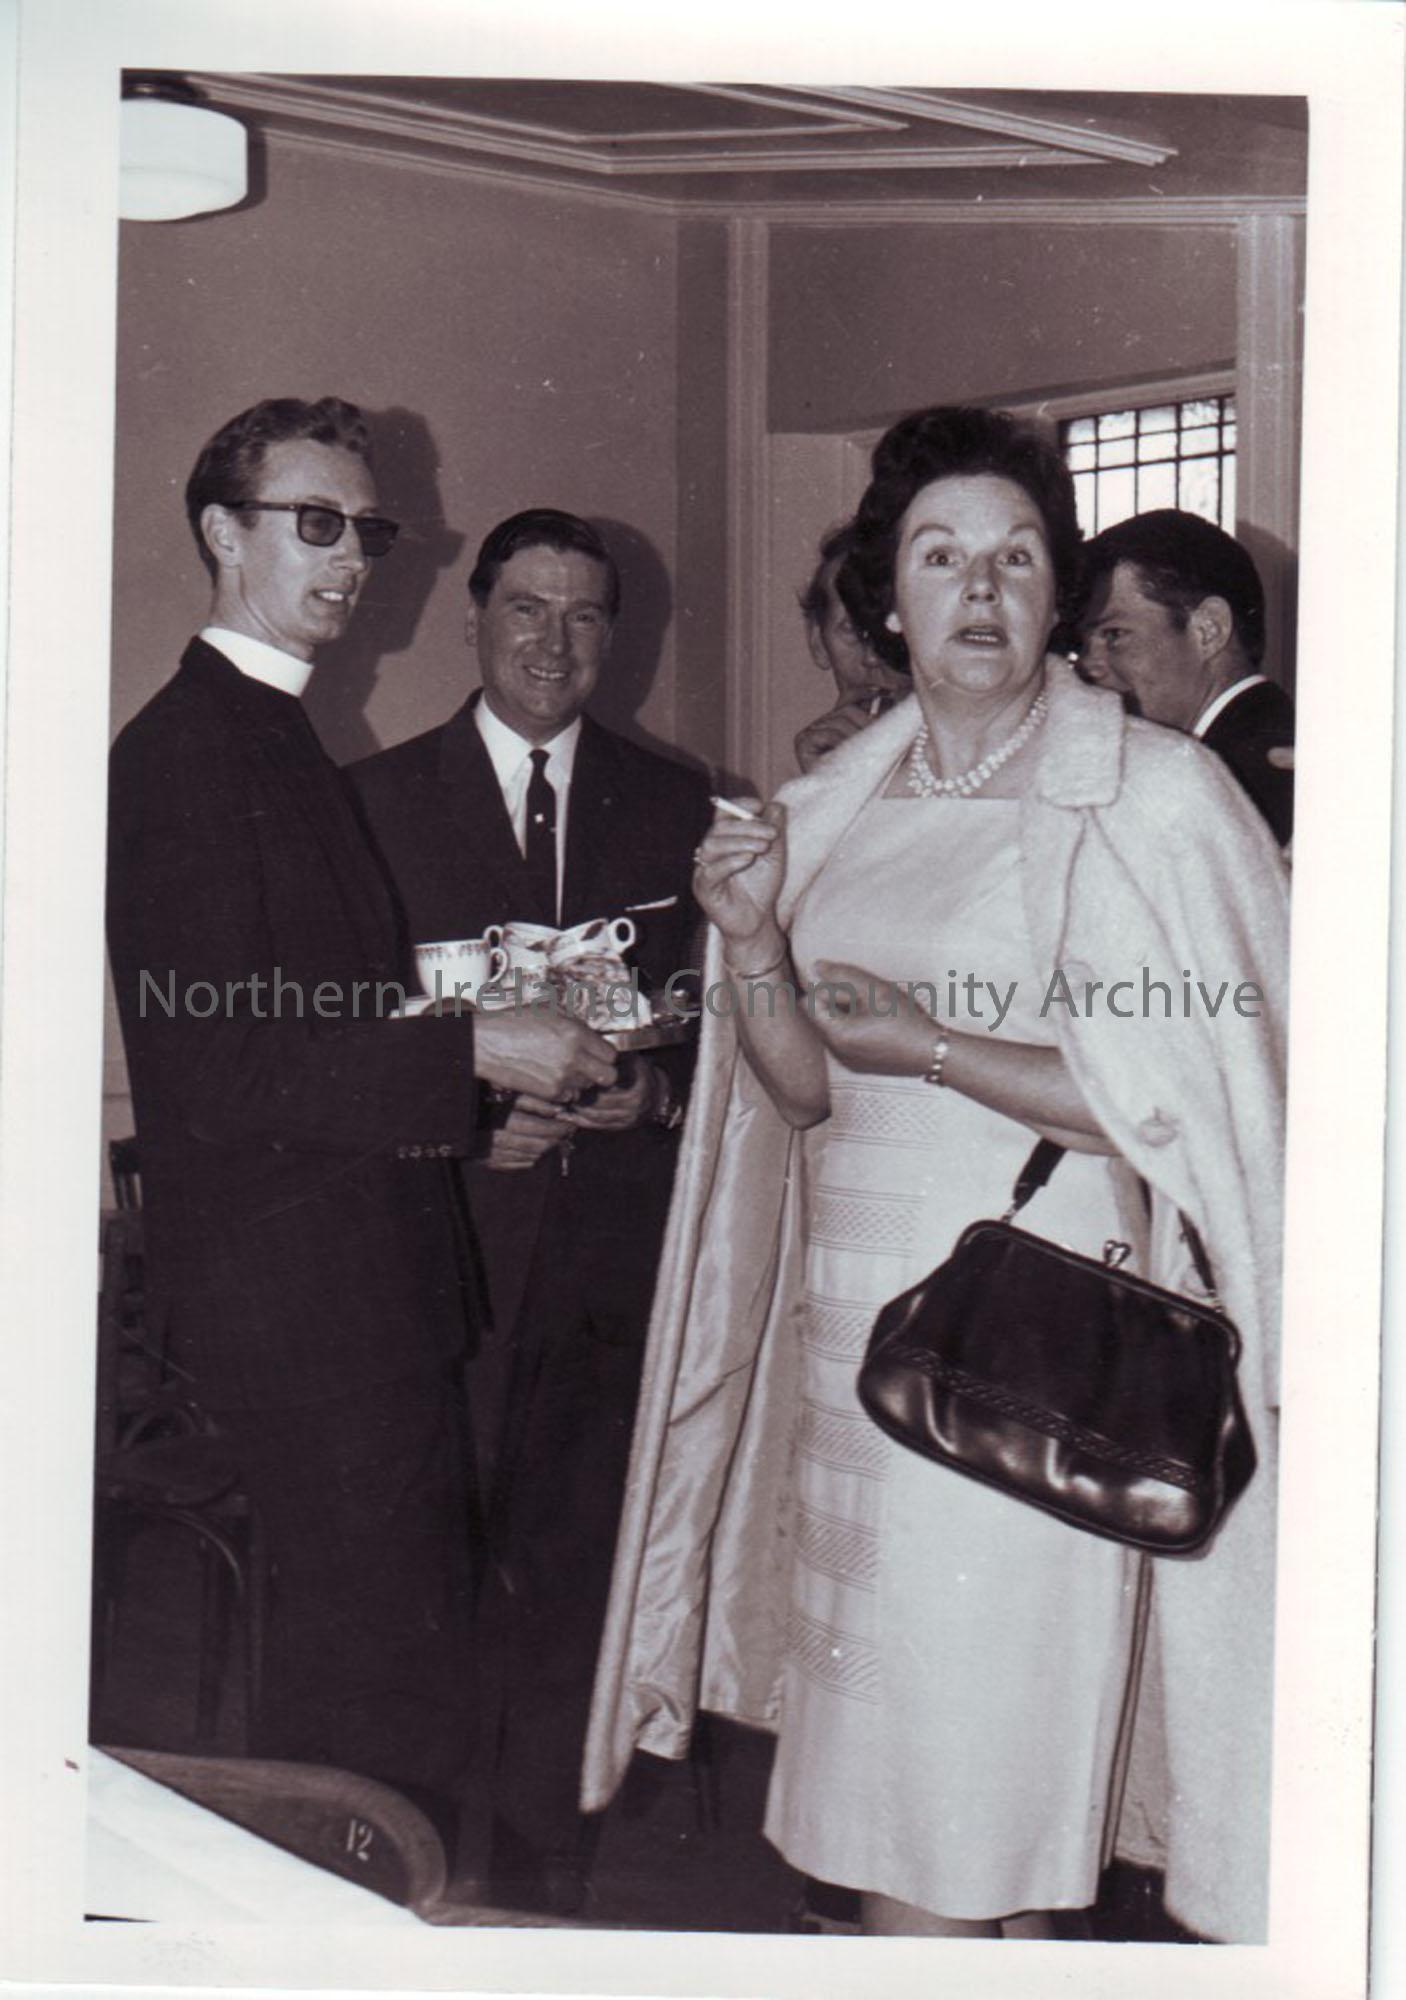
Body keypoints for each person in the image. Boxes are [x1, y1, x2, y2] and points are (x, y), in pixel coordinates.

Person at [583, 407, 1287, 1942]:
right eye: (940, 556)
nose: (980, 588)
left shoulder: (1153, 799)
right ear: (884, 601)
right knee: (949, 1830)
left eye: (1017, 558)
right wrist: (752, 946)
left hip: (1033, 1347)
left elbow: (1197, 1106)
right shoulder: (837, 806)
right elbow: (801, 1093)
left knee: (948, 1822)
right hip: (863, 1358)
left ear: (1056, 597)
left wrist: (936, 1048)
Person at [106, 401, 617, 1853]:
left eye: (366, 532)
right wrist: (476, 1046)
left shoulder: (272, 728)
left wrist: (461, 1096)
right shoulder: (189, 749)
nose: (349, 559)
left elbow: (316, 1017)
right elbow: (222, 1059)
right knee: (365, 1695)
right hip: (303, 1312)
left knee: (387, 1671)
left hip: (357, 1289)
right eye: (314, 524)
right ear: (224, 532)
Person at [348, 508, 711, 1912]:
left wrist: (656, 1098)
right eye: (526, 609)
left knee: (575, 1576)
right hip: (440, 1252)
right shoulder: (374, 804)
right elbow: (340, 1038)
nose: (554, 643)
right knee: (426, 1578)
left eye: (584, 616)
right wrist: (453, 1121)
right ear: (475, 618)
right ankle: (414, 1865)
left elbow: (721, 1029)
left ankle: (542, 1893)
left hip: (612, 1260)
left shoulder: (674, 804)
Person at [1075, 508, 1295, 844]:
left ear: (1209, 629)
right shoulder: (1261, 752)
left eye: (1114, 634)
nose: (1088, 666)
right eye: (1080, 646)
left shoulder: (1254, 776)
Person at [793, 522, 909, 773]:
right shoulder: (822, 753)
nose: (872, 658)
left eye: (890, 630)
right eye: (852, 631)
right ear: (817, 641)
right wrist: (824, 782)